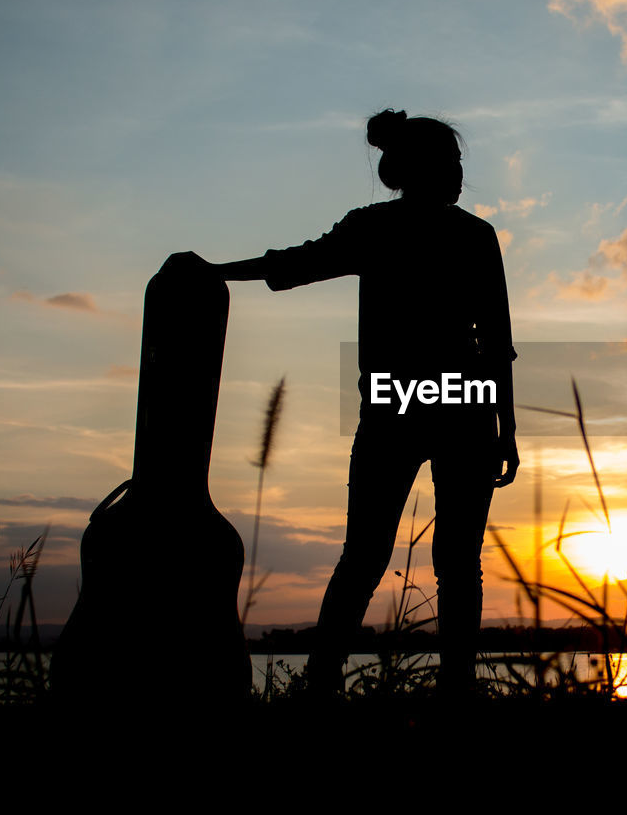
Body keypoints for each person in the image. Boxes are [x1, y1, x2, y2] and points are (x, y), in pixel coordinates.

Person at [212, 109, 518, 697]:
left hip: (407, 408)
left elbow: (291, 266)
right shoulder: (460, 236)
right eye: (451, 162)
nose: (459, 174)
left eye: (459, 163)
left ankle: (327, 682)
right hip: (456, 409)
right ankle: (436, 688)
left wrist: (216, 272)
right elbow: (496, 345)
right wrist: (506, 429)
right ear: (425, 168)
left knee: (376, 557)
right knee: (445, 563)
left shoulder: (391, 229)